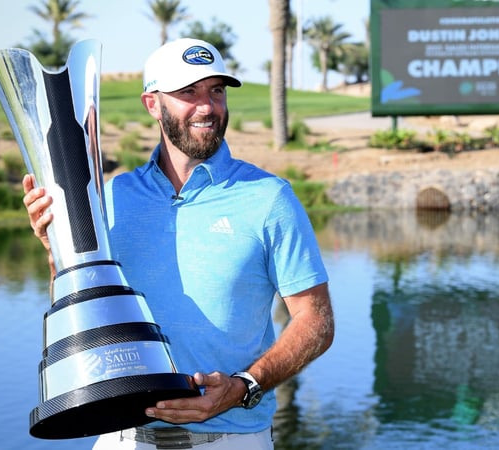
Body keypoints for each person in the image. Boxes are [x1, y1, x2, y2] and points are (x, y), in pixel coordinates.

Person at [22, 38, 335, 449]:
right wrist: (57, 250)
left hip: (232, 438)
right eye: (188, 92)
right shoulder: (110, 198)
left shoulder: (269, 197)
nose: (207, 106)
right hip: (123, 436)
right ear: (152, 103)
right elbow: (84, 307)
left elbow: (316, 321)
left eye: (216, 91)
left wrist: (244, 386)